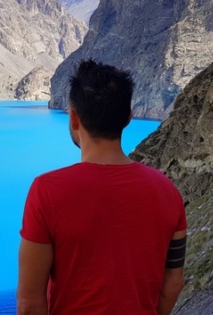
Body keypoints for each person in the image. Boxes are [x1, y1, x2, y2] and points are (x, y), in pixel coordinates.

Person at [17, 59, 187, 315]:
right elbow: (173, 282)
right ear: (128, 118)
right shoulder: (168, 192)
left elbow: (29, 303)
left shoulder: (46, 191)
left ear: (74, 118)